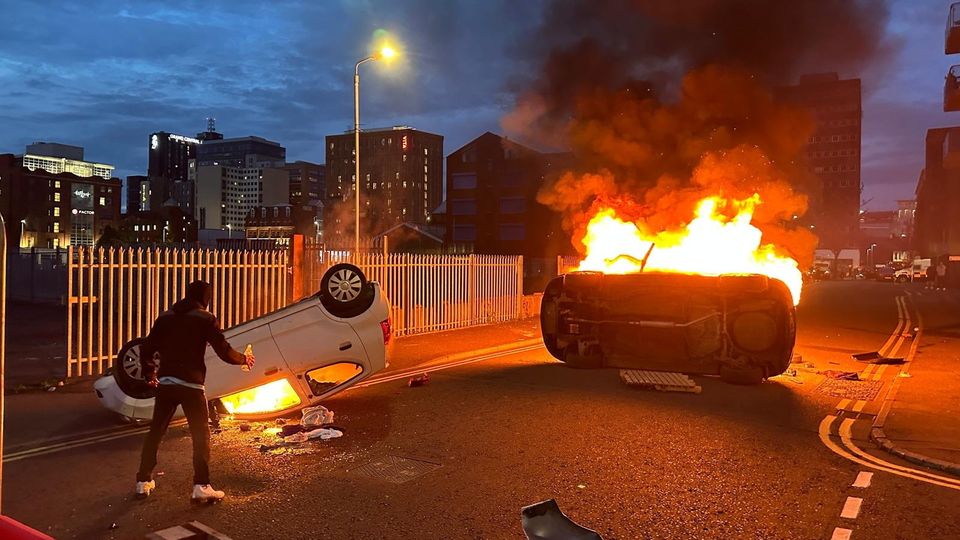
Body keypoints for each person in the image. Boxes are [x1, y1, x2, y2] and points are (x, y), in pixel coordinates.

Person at [135, 280, 255, 503]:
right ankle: (201, 485)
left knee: (156, 432)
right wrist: (243, 359)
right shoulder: (205, 319)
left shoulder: (165, 317)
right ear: (205, 298)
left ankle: (143, 481)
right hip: (191, 385)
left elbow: (147, 347)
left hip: (167, 383)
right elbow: (224, 351)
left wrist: (149, 374)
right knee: (201, 435)